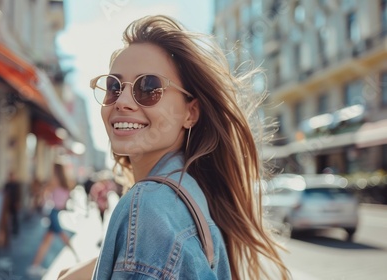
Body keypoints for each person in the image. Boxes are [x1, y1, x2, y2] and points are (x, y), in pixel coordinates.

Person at [88, 15, 291, 279]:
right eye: (114, 87)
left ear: (190, 113)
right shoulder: (189, 192)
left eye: (148, 87)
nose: (122, 101)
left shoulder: (148, 206)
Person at [28, 163, 79, 277]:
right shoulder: (66, 182)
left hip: (54, 212)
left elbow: (43, 192)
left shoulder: (54, 181)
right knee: (56, 238)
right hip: (55, 212)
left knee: (51, 240)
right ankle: (77, 258)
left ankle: (34, 266)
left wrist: (43, 199)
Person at [3, 171, 21, 236]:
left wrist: (18, 202)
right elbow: (4, 193)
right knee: (8, 217)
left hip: (14, 203)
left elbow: (18, 194)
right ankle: (8, 229)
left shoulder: (16, 185)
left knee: (15, 217)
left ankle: (15, 230)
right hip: (8, 203)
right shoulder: (7, 184)